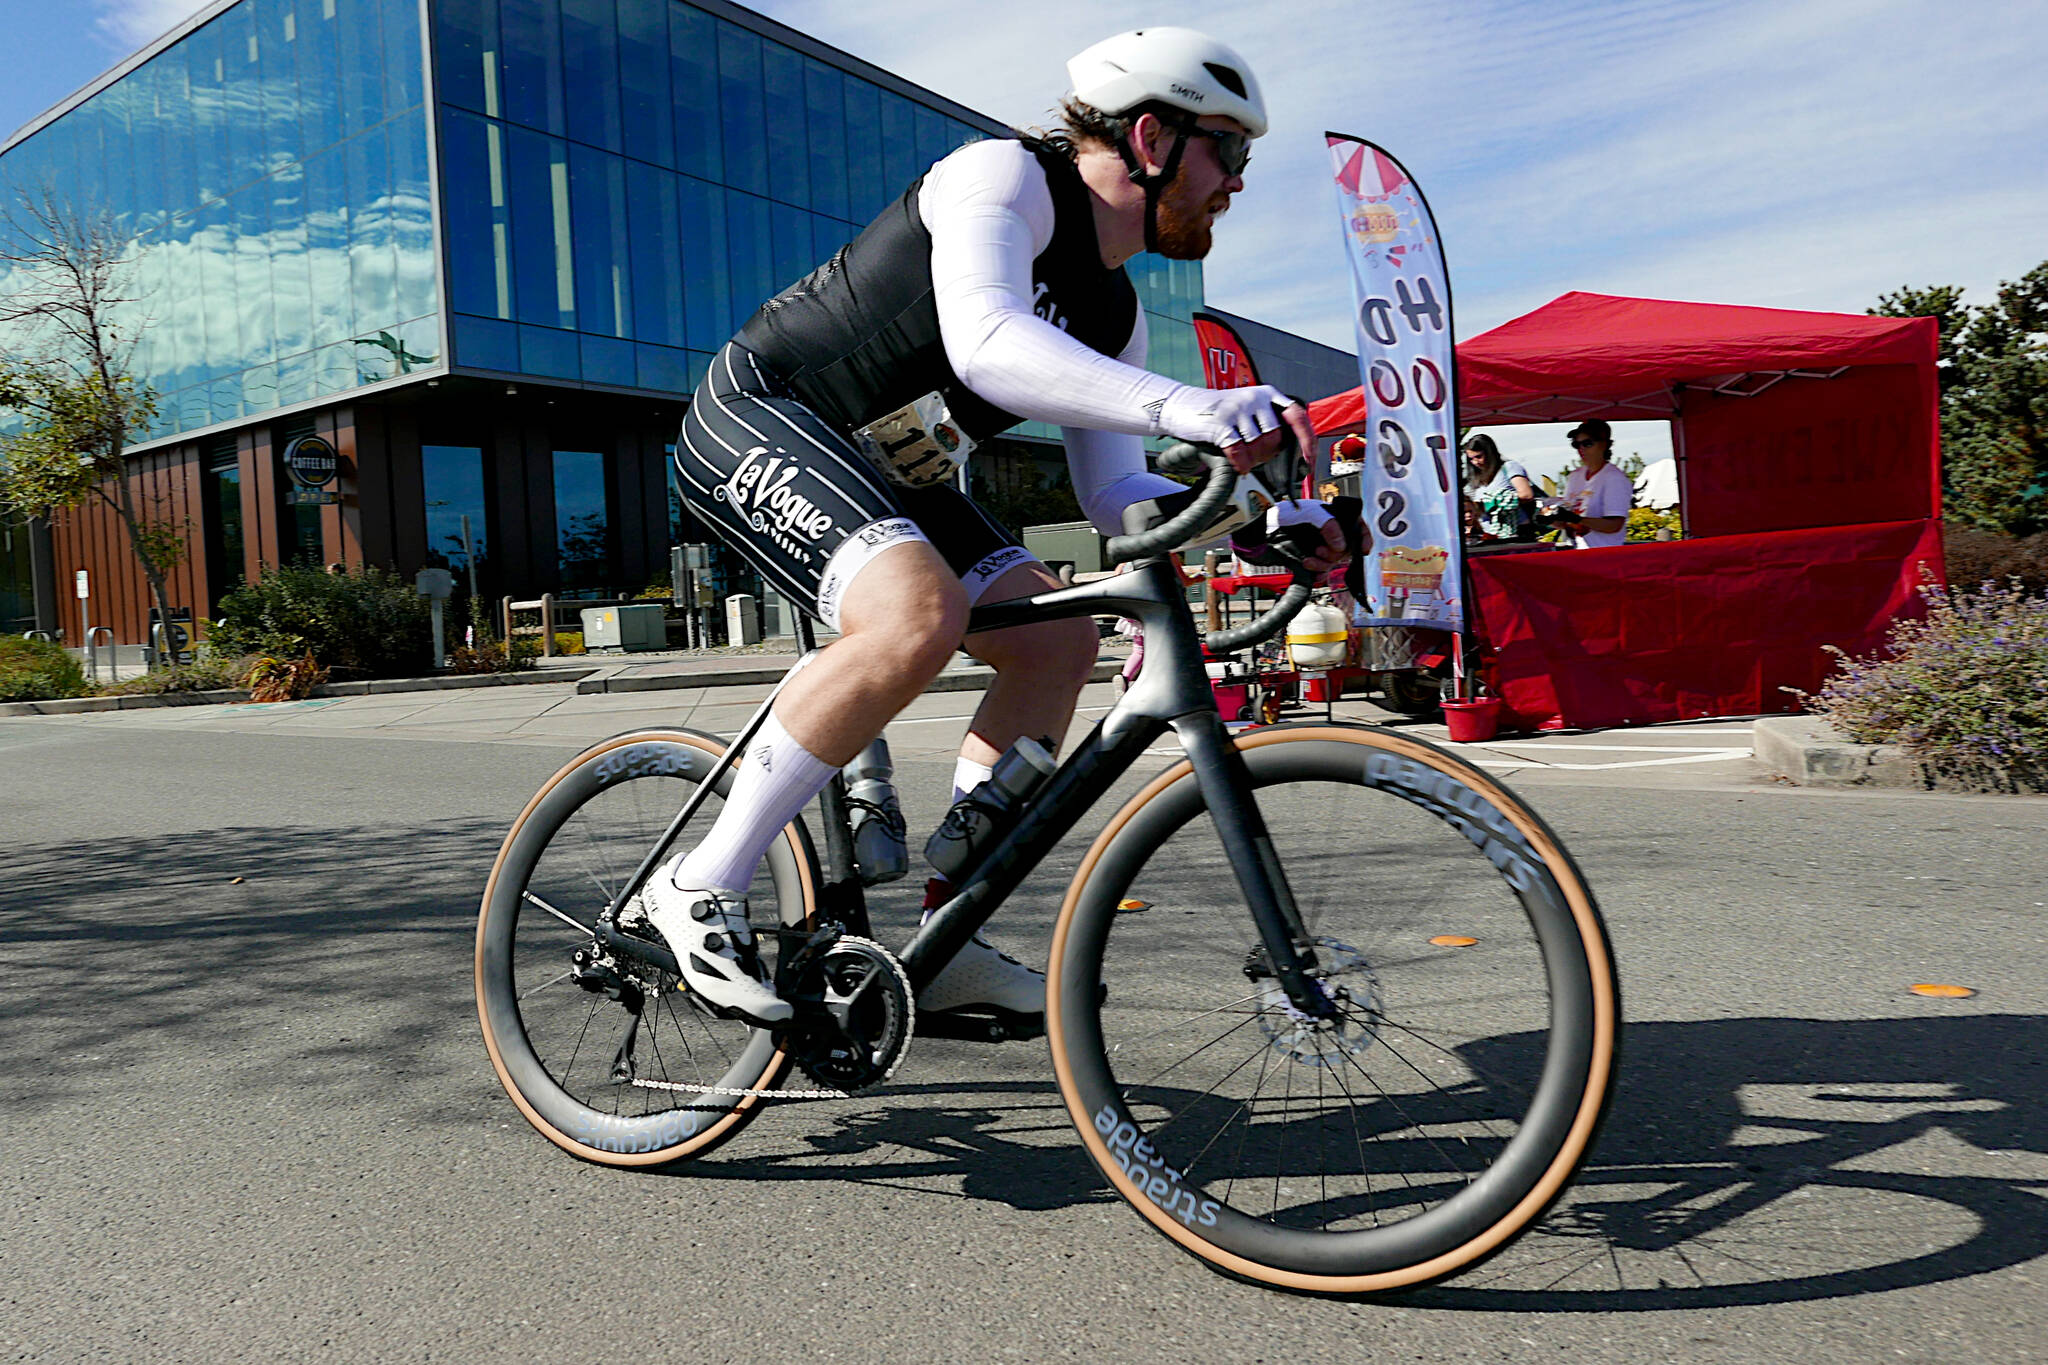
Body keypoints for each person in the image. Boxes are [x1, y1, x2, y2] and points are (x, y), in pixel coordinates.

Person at [653, 28, 1356, 1026]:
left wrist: (1245, 524)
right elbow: (987, 346)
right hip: (767, 412)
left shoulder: (1111, 313)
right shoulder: (1002, 179)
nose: (1237, 183)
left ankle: (942, 944)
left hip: (896, 474)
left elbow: (1113, 499)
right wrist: (1188, 408)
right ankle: (698, 880)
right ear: (1150, 138)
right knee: (916, 612)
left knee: (1056, 637)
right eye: (1227, 153)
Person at [1555, 420, 1632, 549]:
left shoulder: (1614, 478)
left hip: (1603, 554)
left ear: (1605, 444)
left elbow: (1614, 526)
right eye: (1576, 444)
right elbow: (1568, 520)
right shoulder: (1575, 477)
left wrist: (1577, 519)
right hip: (1576, 551)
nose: (1581, 449)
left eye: (1587, 443)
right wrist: (1553, 518)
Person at [1461, 434, 1536, 542]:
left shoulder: (1509, 467)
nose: (1475, 462)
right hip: (1491, 533)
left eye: (1479, 457)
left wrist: (1494, 501)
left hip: (1517, 531)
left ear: (1490, 453)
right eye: (1471, 459)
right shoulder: (1476, 478)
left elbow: (1526, 495)